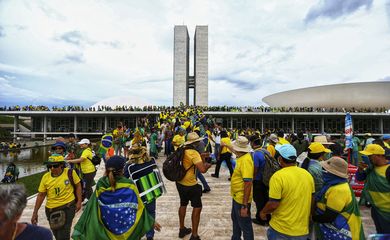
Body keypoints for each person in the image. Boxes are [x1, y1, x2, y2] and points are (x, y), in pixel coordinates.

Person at [72, 155, 161, 240]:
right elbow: (139, 207)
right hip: (127, 229)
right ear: (122, 170)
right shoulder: (129, 184)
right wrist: (150, 221)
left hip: (106, 229)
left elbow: (91, 206)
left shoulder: (101, 183)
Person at [260, 144, 314, 240]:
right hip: (302, 230)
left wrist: (263, 212)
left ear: (280, 158)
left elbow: (273, 204)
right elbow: (312, 199)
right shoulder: (307, 175)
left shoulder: (278, 177)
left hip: (281, 229)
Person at [313, 157, 365, 239]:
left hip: (342, 231)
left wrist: (311, 218)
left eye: (324, 170)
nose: (322, 172)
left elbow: (329, 217)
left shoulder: (339, 190)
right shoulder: (333, 184)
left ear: (331, 173)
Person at [31, 155, 82, 240]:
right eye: (49, 166)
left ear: (61, 165)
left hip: (68, 207)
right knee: (56, 233)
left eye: (55, 166)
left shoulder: (70, 173)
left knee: (64, 234)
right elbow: (41, 195)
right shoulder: (45, 177)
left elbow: (78, 186)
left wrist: (79, 201)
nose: (52, 168)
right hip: (51, 210)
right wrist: (35, 212)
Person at [175, 132, 211, 240]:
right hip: (191, 184)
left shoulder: (182, 149)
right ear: (195, 142)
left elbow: (188, 161)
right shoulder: (194, 153)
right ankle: (194, 235)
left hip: (180, 182)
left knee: (183, 204)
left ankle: (182, 229)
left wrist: (201, 156)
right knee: (197, 207)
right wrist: (208, 165)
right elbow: (202, 170)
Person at [124, 144, 159, 240]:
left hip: (137, 193)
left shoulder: (129, 166)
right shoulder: (151, 161)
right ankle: (150, 235)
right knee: (151, 213)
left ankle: (137, 235)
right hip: (150, 190)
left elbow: (123, 178)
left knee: (136, 214)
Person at [357, 144, 390, 234]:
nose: (367, 158)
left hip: (387, 212)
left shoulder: (388, 169)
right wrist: (360, 169)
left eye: (370, 156)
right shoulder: (371, 168)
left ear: (379, 156)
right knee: (380, 233)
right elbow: (359, 178)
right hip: (376, 210)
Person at [229, 136, 254, 240]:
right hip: (236, 196)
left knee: (245, 225)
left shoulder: (246, 161)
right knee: (235, 219)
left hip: (241, 199)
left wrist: (244, 206)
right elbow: (234, 150)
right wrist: (226, 145)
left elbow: (248, 183)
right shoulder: (241, 156)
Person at [66, 138, 96, 205]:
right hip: (87, 171)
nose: (81, 145)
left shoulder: (86, 151)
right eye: (81, 144)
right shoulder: (88, 150)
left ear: (86, 144)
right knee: (88, 187)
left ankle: (91, 202)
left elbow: (81, 160)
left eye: (82, 144)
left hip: (89, 171)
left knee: (87, 187)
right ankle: (90, 200)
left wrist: (69, 161)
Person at [249, 136, 269, 226]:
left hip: (258, 180)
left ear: (253, 143)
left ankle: (260, 218)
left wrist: (252, 179)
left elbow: (255, 168)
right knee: (265, 199)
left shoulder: (256, 154)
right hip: (266, 179)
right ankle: (267, 217)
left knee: (258, 200)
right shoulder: (266, 151)